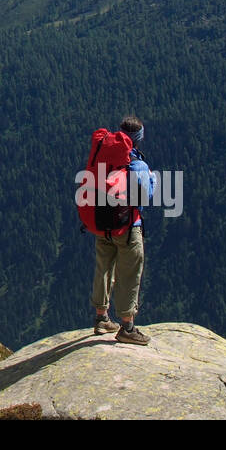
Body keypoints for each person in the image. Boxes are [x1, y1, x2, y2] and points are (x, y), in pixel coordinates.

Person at [91, 115, 155, 345]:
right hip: (128, 227)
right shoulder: (137, 164)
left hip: (102, 222)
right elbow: (144, 198)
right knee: (128, 273)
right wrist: (152, 180)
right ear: (138, 140)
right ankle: (127, 327)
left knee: (103, 268)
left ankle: (101, 318)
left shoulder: (104, 156)